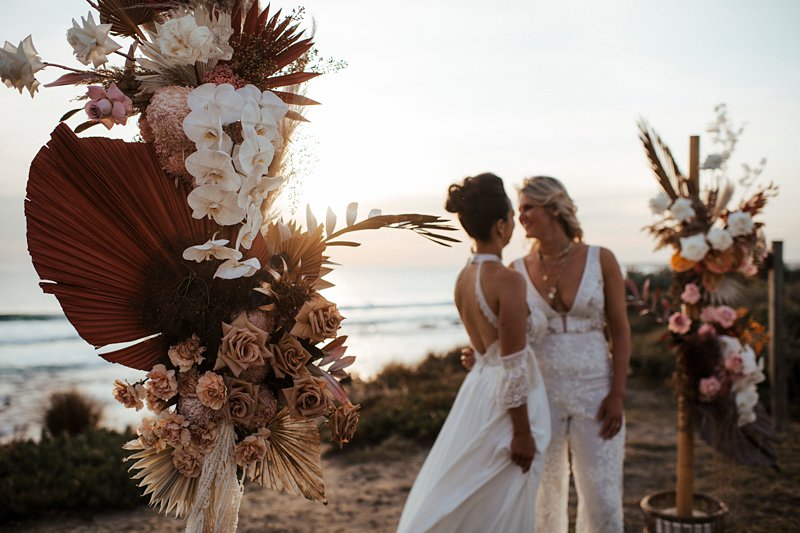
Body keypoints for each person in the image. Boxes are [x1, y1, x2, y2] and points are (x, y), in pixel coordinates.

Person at [397, 173, 551, 533]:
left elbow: (484, 346)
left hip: (479, 392)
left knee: (473, 499)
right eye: (512, 217)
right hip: (503, 407)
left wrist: (478, 358)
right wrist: (523, 433)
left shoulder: (463, 277)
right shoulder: (507, 281)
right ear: (501, 225)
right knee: (502, 503)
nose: (515, 224)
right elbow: (513, 366)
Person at [512, 175, 630, 533]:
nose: (521, 217)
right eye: (519, 210)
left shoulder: (601, 259)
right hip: (540, 392)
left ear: (552, 207)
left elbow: (621, 330)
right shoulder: (516, 270)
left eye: (528, 208)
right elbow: (510, 335)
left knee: (603, 495)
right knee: (543, 495)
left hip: (596, 390)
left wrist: (617, 393)